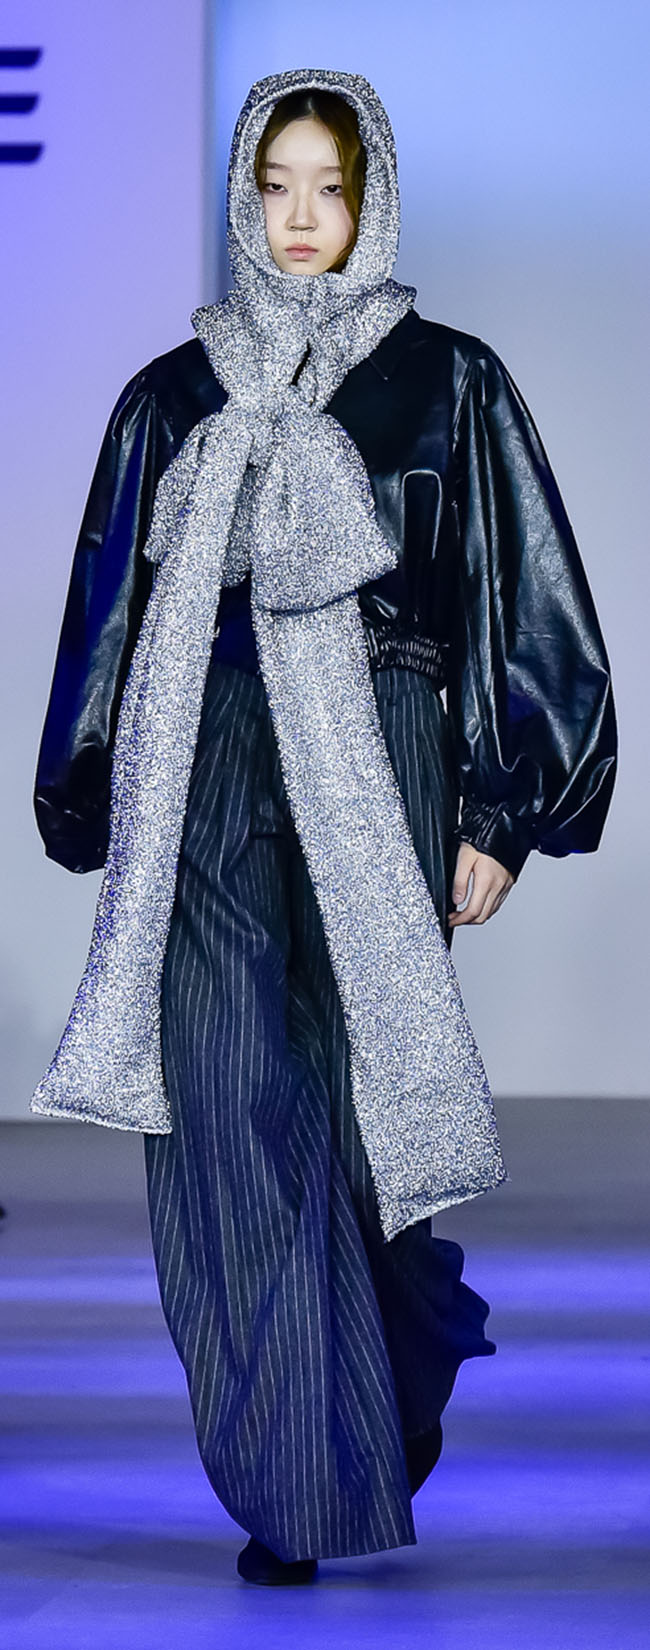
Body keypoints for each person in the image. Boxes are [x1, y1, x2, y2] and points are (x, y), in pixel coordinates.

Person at [30, 69, 617, 1586]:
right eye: (277, 185)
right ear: (244, 197)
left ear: (372, 201)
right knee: (226, 1104)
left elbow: (518, 590)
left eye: (330, 188)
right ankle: (300, 1468)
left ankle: (388, 1375)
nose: (302, 217)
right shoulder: (176, 396)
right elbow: (112, 600)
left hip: (379, 748)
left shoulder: (449, 382)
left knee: (353, 1126)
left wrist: (506, 805)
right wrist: (86, 785)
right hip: (210, 759)